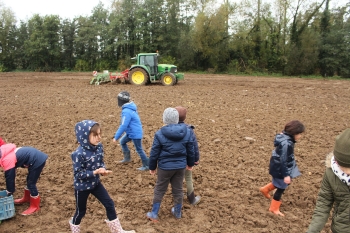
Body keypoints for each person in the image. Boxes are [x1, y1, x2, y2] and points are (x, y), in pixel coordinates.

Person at [69, 120, 135, 233]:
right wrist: (94, 172)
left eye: (100, 134)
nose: (99, 137)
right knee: (81, 212)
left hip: (95, 184)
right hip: (82, 187)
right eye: (95, 135)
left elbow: (100, 162)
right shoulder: (78, 154)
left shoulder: (99, 147)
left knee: (109, 204)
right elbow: (78, 174)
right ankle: (75, 229)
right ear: (85, 136)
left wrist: (102, 169)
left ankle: (118, 231)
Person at [146, 108, 195, 222]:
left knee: (159, 189)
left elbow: (154, 153)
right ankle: (177, 212)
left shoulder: (159, 134)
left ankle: (154, 213)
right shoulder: (187, 132)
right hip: (180, 167)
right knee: (178, 189)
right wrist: (190, 164)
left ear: (164, 120)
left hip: (164, 168)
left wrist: (152, 167)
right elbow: (190, 150)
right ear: (177, 119)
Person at [306, 128, 350, 233]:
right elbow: (324, 203)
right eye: (342, 166)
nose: (346, 172)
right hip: (341, 229)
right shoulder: (331, 173)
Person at [259, 120, 305, 216]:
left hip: (277, 166)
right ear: (293, 133)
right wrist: (286, 175)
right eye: (299, 134)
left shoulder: (283, 137)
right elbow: (283, 160)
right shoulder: (287, 144)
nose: (300, 136)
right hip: (281, 168)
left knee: (278, 182)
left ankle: (265, 189)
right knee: (281, 187)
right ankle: (273, 208)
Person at [0, 137, 48, 215]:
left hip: (37, 160)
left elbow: (10, 177)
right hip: (33, 158)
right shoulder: (4, 152)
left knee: (31, 184)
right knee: (29, 180)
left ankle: (35, 206)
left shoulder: (7, 160)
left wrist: (9, 191)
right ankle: (27, 198)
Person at [112, 91, 149, 171]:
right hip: (131, 132)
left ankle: (147, 165)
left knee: (139, 149)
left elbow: (123, 125)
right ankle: (127, 158)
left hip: (135, 133)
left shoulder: (126, 111)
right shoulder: (130, 108)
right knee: (122, 141)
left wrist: (116, 137)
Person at [175, 106, 201, 205]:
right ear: (185, 118)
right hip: (185, 161)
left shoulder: (168, 130)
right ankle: (192, 199)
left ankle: (177, 199)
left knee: (176, 179)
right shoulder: (189, 130)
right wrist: (195, 159)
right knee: (188, 178)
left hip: (173, 161)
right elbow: (194, 147)